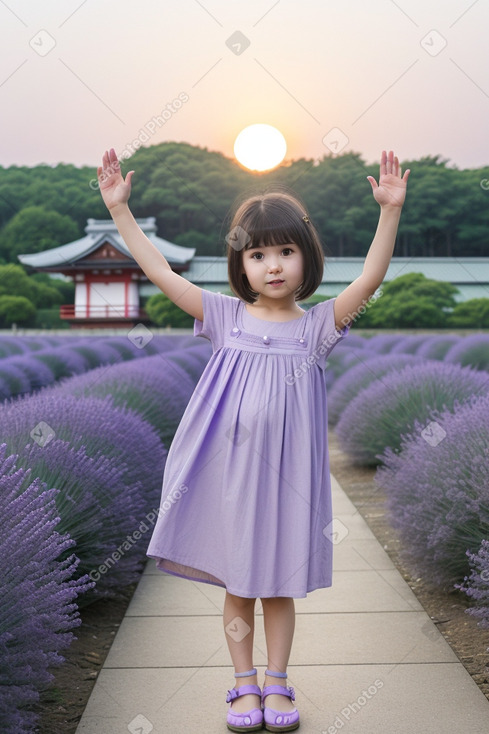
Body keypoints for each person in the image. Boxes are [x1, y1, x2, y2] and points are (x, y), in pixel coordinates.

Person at [97, 148, 409, 732]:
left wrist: (388, 212)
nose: (272, 266)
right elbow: (162, 273)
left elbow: (371, 277)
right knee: (240, 585)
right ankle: (243, 685)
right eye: (258, 253)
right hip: (228, 476)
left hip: (289, 482)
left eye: (286, 252)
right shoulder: (224, 317)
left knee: (279, 586)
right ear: (240, 264)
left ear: (305, 259)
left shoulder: (319, 326)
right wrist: (121, 213)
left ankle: (279, 680)